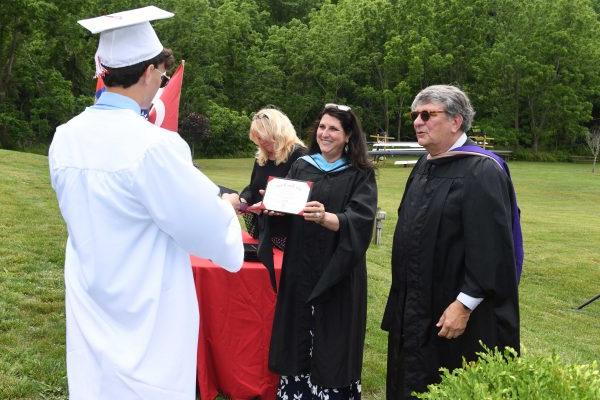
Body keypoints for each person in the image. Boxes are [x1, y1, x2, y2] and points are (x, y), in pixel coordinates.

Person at [48, 7, 243, 400]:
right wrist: (227, 206)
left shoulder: (65, 137)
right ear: (150, 71)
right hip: (147, 312)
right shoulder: (155, 146)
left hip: (92, 295)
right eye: (162, 72)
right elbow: (205, 228)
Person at [381, 85, 522, 399]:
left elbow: (493, 249)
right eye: (415, 115)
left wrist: (465, 304)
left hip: (455, 311)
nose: (418, 121)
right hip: (417, 303)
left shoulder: (481, 170)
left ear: (456, 121)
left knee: (448, 381)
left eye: (427, 114)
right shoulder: (424, 165)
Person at [268, 104, 377, 399]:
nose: (325, 134)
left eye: (334, 129)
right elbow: (287, 206)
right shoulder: (303, 166)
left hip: (337, 269)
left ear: (348, 136)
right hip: (301, 265)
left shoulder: (359, 174)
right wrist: (276, 210)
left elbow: (362, 219)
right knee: (298, 331)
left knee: (334, 334)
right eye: (322, 127)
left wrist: (328, 218)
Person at [239, 107, 306, 249]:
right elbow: (253, 188)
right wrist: (243, 200)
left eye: (263, 136)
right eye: (257, 137)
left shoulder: (300, 156)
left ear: (279, 131)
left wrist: (268, 202)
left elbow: (300, 196)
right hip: (263, 232)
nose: (261, 141)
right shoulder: (261, 158)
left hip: (287, 235)